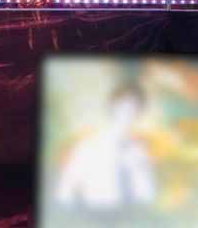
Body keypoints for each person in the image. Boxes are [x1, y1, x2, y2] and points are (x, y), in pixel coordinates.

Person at [55, 81, 157, 210]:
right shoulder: (87, 147)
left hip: (134, 216)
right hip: (94, 216)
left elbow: (149, 194)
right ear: (112, 105)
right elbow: (65, 194)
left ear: (139, 112)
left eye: (134, 105)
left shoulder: (139, 151)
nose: (127, 109)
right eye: (123, 103)